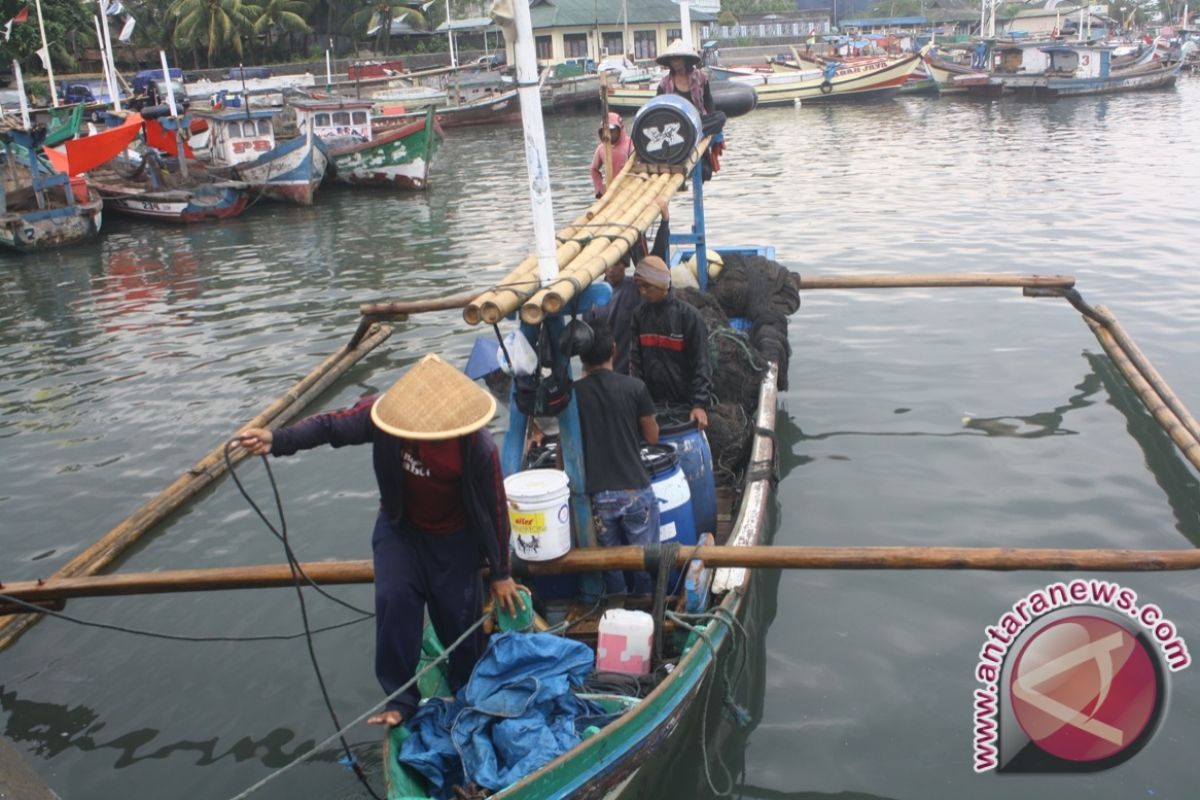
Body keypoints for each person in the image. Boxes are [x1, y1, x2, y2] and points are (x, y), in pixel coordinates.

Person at [236, 354, 524, 728]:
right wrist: (276, 439)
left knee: (458, 623)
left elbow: (496, 508)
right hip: (401, 529)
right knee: (394, 601)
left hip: (455, 540)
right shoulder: (385, 419)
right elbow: (331, 427)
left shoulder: (477, 446)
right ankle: (401, 700)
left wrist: (501, 571)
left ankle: (465, 692)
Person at [574, 318, 660, 594]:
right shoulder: (635, 388)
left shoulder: (574, 395)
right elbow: (652, 437)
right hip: (634, 489)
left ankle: (617, 607)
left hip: (599, 497)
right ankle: (647, 603)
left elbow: (567, 451)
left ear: (581, 357)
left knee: (610, 563)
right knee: (645, 559)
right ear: (614, 349)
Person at [585, 197, 670, 374]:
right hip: (603, 368)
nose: (611, 269)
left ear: (625, 265)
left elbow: (656, 260)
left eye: (617, 264)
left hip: (630, 367)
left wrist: (664, 222)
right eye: (608, 264)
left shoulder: (634, 288)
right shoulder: (593, 297)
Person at [629, 255, 714, 430]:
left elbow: (702, 364)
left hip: (684, 403)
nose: (643, 292)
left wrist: (699, 405)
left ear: (662, 284)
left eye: (647, 286)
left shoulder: (689, 317)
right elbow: (635, 364)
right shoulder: (639, 316)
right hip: (651, 404)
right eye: (639, 287)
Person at [655, 39, 714, 116]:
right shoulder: (664, 83)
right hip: (677, 122)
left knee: (720, 116)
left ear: (685, 59)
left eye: (678, 58)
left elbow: (708, 100)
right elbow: (658, 106)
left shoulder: (700, 77)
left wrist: (711, 115)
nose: (675, 62)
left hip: (699, 119)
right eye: (672, 59)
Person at [590, 112, 633, 199]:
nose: (608, 134)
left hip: (629, 192)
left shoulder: (630, 145)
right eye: (604, 131)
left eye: (612, 131)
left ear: (619, 129)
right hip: (610, 191)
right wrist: (599, 188)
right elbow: (593, 168)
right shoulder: (601, 148)